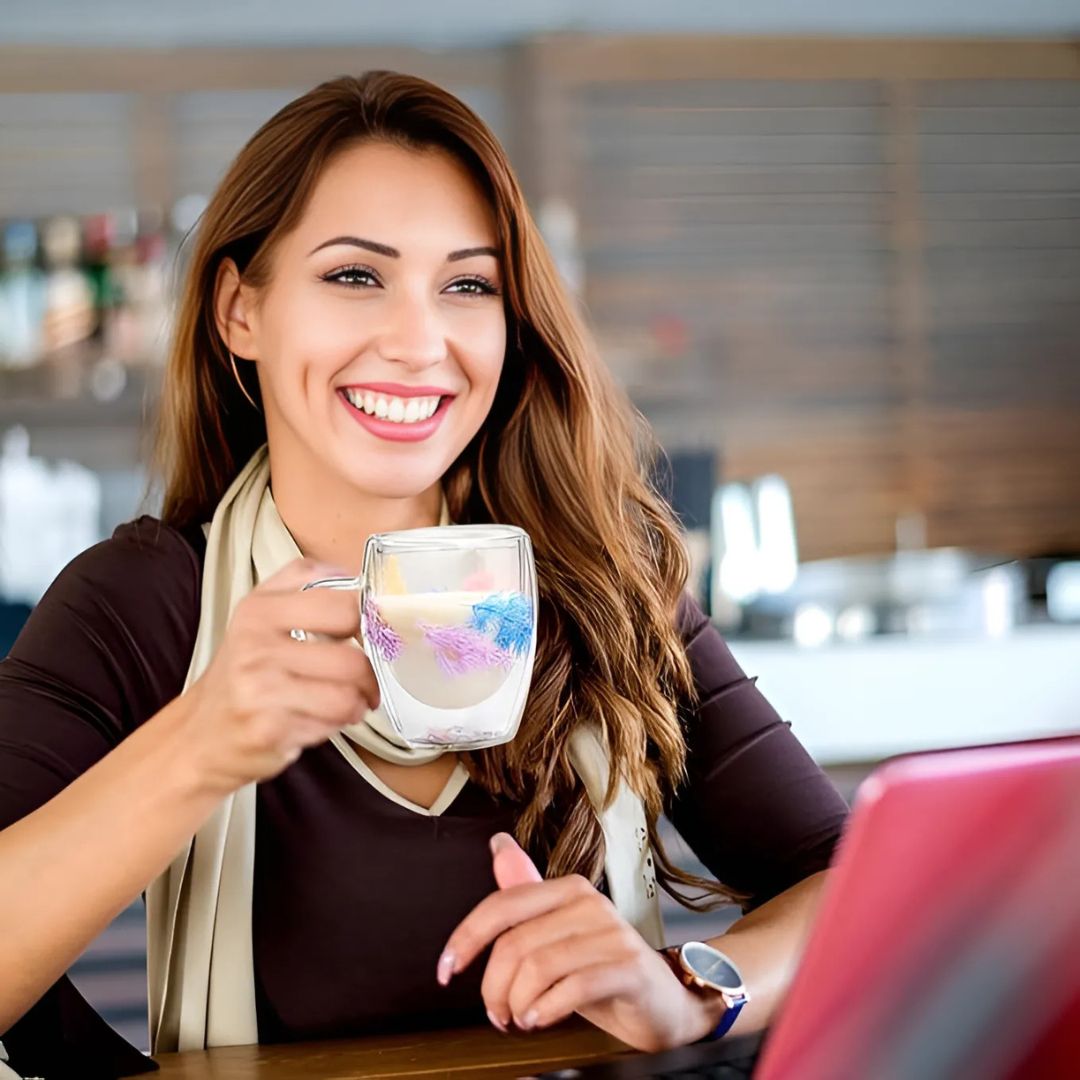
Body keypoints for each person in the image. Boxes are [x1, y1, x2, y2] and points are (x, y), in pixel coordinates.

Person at [0, 71, 847, 1073]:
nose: (418, 342)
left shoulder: (604, 580)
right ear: (239, 312)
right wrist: (201, 745)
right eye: (355, 276)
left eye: (469, 285)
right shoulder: (140, 605)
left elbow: (857, 882)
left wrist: (694, 989)